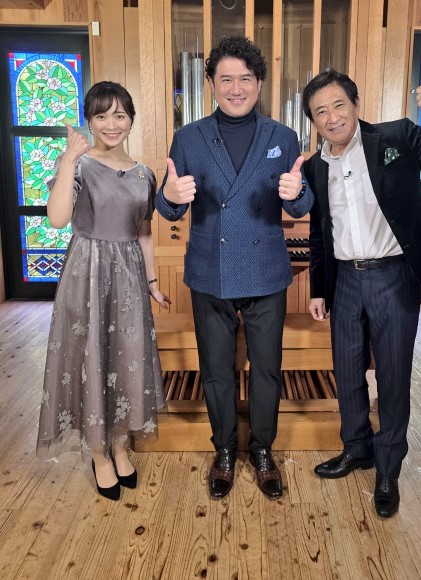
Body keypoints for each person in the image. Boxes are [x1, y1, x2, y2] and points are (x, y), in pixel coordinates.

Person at [302, 67, 421, 517]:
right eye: (321, 112)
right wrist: (319, 289)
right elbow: (321, 233)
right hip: (345, 280)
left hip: (394, 275)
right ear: (313, 120)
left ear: (356, 105)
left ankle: (388, 467)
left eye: (339, 105)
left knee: (392, 375)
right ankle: (357, 448)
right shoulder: (314, 166)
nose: (332, 117)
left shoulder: (397, 137)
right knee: (346, 373)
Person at [156, 34, 313, 499]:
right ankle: (224, 450)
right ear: (211, 83)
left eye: (245, 78)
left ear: (259, 83)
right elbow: (169, 206)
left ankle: (262, 450)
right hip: (210, 270)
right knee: (216, 370)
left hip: (266, 271)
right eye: (226, 79)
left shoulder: (282, 137)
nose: (236, 87)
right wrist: (169, 197)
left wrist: (298, 194)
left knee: (267, 369)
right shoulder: (188, 138)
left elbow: (301, 202)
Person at [37, 81, 169, 501]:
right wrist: (68, 159)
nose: (111, 124)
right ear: (89, 121)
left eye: (120, 115)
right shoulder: (78, 164)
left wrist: (152, 283)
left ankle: (119, 444)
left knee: (125, 359)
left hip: (129, 277)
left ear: (131, 119)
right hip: (87, 273)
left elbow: (144, 232)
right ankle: (99, 454)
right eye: (101, 115)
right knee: (91, 358)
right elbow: (57, 219)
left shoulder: (144, 173)